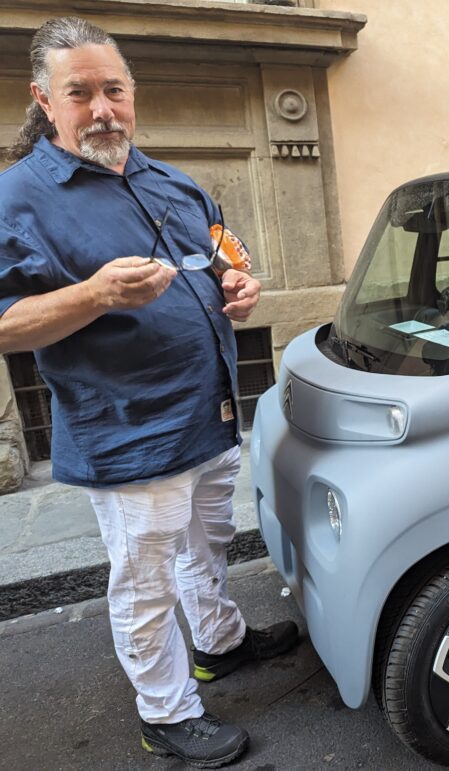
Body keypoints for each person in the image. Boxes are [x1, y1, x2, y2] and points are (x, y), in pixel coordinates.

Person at [0, 17, 298, 768]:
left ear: (132, 93)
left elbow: (226, 249)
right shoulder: (18, 199)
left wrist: (242, 283)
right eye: (81, 93)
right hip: (131, 434)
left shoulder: (169, 178)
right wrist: (93, 295)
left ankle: (220, 643)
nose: (102, 109)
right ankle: (166, 713)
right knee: (146, 575)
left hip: (210, 412)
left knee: (209, 546)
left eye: (114, 90)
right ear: (44, 98)